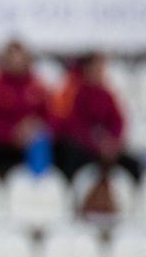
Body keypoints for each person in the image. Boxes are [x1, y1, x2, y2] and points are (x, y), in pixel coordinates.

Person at [53, 52, 141, 182]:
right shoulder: (74, 91)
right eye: (97, 68)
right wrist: (96, 141)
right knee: (69, 159)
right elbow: (72, 124)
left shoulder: (106, 94)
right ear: (87, 69)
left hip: (105, 145)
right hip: (83, 146)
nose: (100, 72)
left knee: (134, 166)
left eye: (102, 68)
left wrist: (112, 141)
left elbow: (117, 120)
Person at [0, 40, 54, 177]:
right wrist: (12, 133)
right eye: (13, 59)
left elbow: (52, 117)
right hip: (2, 144)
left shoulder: (39, 87)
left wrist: (35, 127)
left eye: (20, 59)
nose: (17, 63)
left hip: (30, 143)